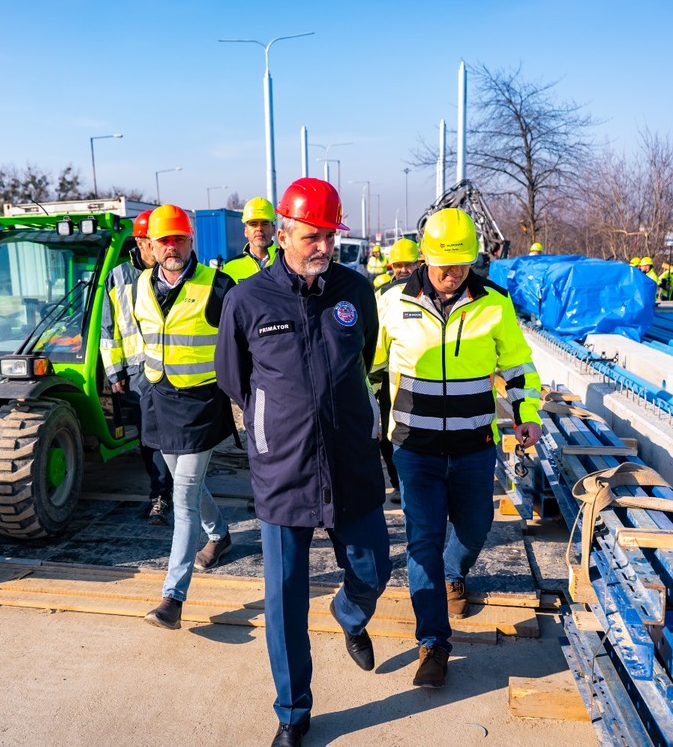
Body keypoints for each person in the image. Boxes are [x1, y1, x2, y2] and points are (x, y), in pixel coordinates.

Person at [215, 177, 391, 747]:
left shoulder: (355, 291)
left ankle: (349, 612)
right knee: (285, 599)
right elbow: (235, 379)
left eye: (330, 236)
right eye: (313, 236)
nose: (324, 247)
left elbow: (363, 354)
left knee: (372, 570)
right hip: (283, 467)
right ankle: (293, 714)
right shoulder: (246, 300)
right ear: (284, 233)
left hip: (350, 460)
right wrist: (276, 423)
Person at [374, 207, 542, 689]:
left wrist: (526, 416)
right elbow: (370, 366)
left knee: (474, 529)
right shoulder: (392, 303)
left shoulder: (495, 303)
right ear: (424, 257)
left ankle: (456, 570)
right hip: (414, 448)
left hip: (473, 447)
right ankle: (433, 644)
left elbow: (518, 367)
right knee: (422, 540)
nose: (451, 276)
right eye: (443, 266)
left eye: (462, 266)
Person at [136, 204, 236, 630]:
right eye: (164, 241)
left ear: (191, 241)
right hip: (160, 399)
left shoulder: (218, 285)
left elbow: (242, 342)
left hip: (200, 405)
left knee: (183, 498)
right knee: (183, 486)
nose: (172, 247)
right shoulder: (141, 284)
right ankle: (221, 536)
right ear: (152, 247)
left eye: (179, 238)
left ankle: (172, 598)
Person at [100, 209, 175, 526]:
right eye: (152, 242)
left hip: (171, 369)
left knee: (169, 437)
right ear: (141, 241)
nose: (158, 249)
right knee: (150, 439)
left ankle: (169, 493)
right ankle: (161, 494)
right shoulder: (118, 277)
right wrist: (115, 373)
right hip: (137, 374)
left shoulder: (169, 274)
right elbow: (109, 330)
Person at [373, 238, 421, 501]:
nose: (403, 270)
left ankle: (413, 484)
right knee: (389, 433)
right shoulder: (383, 295)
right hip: (388, 378)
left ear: (418, 263)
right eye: (399, 265)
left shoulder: (429, 293)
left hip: (421, 376)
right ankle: (398, 482)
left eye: (408, 265)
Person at [222, 197, 278, 283]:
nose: (259, 229)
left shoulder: (287, 262)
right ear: (245, 231)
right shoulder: (230, 267)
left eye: (264, 224)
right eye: (253, 224)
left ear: (274, 230)